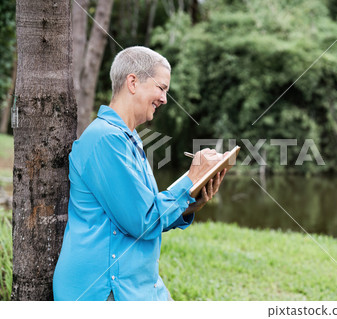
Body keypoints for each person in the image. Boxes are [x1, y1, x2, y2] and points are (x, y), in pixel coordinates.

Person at [53, 46, 226, 301]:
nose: (165, 99)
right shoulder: (105, 139)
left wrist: (191, 202)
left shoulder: (128, 138)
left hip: (140, 285)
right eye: (162, 88)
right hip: (105, 289)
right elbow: (142, 221)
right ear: (132, 82)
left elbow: (147, 210)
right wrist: (190, 178)